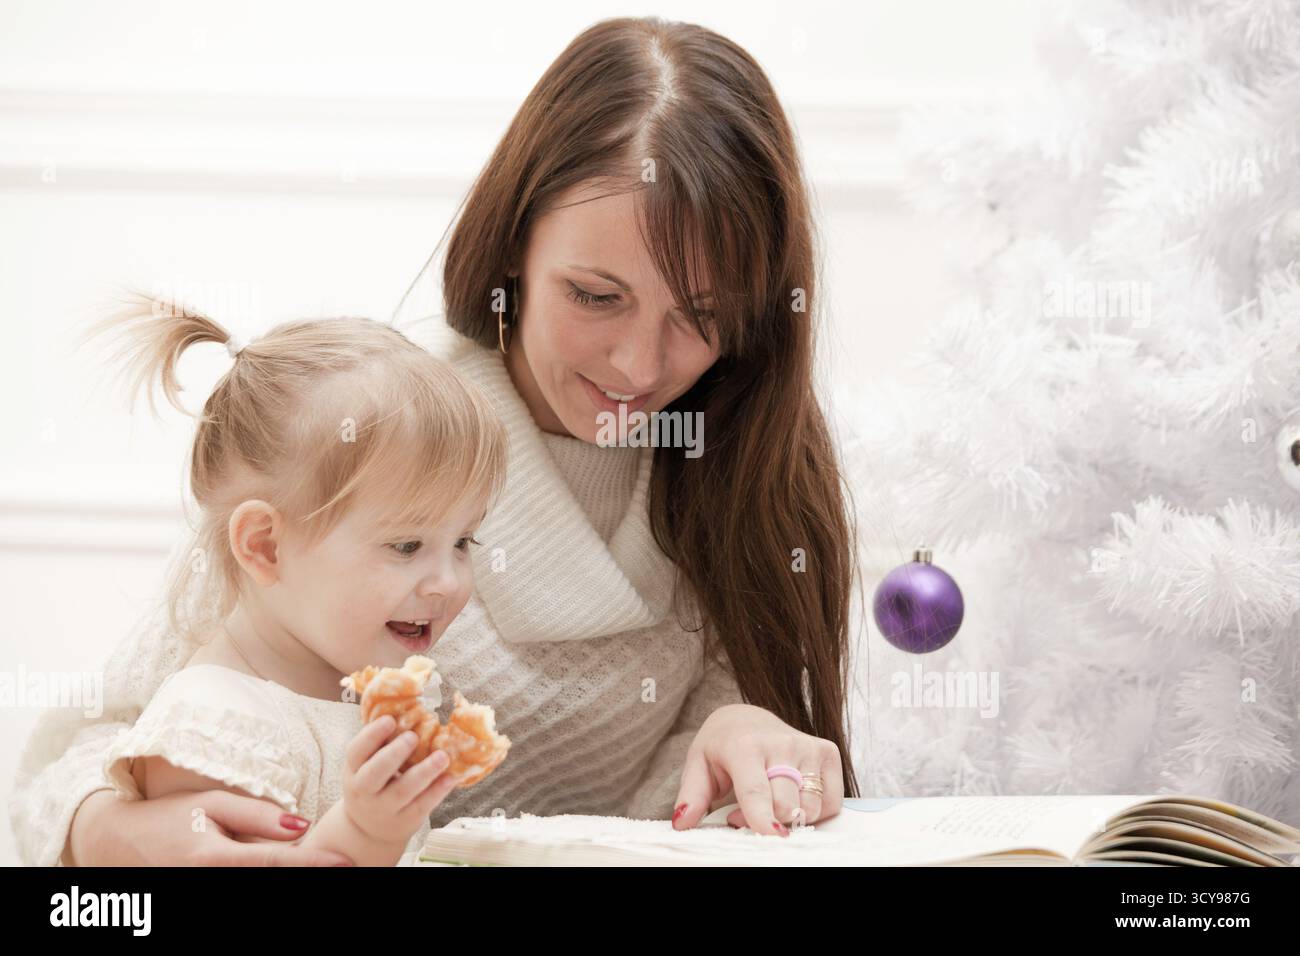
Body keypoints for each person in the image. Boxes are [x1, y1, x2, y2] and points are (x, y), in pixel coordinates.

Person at [10, 16, 860, 866]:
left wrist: (746, 736)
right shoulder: (374, 432)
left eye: (701, 317)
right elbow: (87, 758)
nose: (639, 365)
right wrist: (99, 828)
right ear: (516, 243)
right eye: (596, 296)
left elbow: (674, 825)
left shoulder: (745, 476)